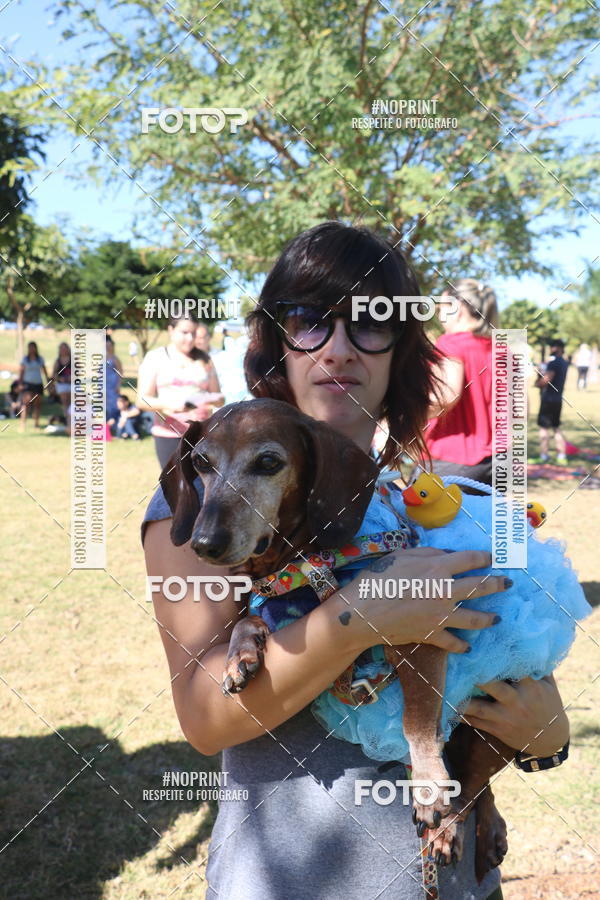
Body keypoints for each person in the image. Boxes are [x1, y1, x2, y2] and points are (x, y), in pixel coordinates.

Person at [142, 224, 571, 900]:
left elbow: (496, 681)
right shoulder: (203, 504)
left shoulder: (421, 497)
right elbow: (204, 717)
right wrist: (359, 617)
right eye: (308, 321)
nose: (338, 349)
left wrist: (547, 730)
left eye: (371, 324)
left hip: (456, 881)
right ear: (274, 344)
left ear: (400, 349)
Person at [421, 279, 498, 487]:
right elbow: (520, 411)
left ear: (458, 309)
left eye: (441, 307)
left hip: (450, 462)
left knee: (415, 517)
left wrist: (400, 418)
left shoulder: (450, 343)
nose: (438, 314)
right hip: (497, 463)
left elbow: (445, 397)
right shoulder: (503, 350)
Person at [137, 314, 224, 467]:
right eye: (184, 333)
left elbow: (220, 399)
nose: (190, 338)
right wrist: (170, 404)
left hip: (201, 436)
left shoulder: (205, 359)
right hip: (168, 436)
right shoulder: (156, 358)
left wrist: (203, 398)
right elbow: (142, 400)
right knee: (173, 488)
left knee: (203, 487)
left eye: (193, 333)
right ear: (171, 330)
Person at [533, 338, 570, 465]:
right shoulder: (564, 363)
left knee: (543, 428)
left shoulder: (554, 363)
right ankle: (561, 456)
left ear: (559, 348)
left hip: (548, 399)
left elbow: (545, 381)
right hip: (558, 398)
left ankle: (544, 456)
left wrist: (537, 382)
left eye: (553, 347)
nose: (550, 349)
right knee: (556, 427)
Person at [17, 341, 49, 431]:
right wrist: (20, 383)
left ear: (35, 348)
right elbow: (21, 372)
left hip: (38, 384)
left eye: (33, 347)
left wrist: (48, 382)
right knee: (25, 404)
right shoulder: (25, 359)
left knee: (37, 405)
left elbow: (44, 371)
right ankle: (22, 424)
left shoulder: (40, 359)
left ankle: (36, 424)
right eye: (30, 347)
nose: (31, 349)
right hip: (28, 384)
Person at [105, 336, 123, 424]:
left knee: (113, 403)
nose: (108, 348)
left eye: (109, 346)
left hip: (112, 384)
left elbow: (120, 373)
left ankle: (114, 422)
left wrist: (118, 385)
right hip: (102, 384)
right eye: (106, 346)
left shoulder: (115, 359)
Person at [51, 342, 72, 418]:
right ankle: (67, 418)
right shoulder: (58, 361)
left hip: (72, 384)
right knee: (65, 402)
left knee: (71, 402)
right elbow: (53, 374)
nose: (63, 350)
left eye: (64, 348)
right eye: (61, 349)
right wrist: (60, 378)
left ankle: (71, 419)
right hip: (61, 384)